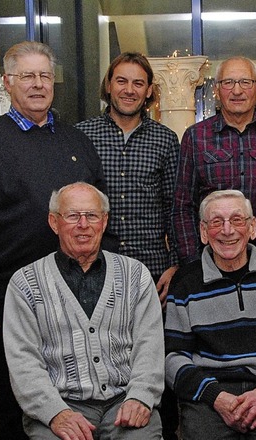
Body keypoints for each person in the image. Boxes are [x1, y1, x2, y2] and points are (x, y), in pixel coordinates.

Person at [0, 41, 111, 440]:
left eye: (44, 76)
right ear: (8, 83)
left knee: (80, 396)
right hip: (10, 300)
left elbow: (102, 217)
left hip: (80, 294)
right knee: (20, 400)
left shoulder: (77, 141)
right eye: (27, 76)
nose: (38, 85)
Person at [3, 182, 164, 440]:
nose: (83, 224)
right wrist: (55, 413)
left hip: (124, 402)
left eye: (91, 215)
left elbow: (150, 346)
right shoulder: (25, 283)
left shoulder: (136, 275)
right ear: (54, 222)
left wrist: (141, 397)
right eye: (72, 216)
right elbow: (23, 362)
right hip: (61, 405)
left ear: (104, 221)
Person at [76, 51, 180, 440]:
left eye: (139, 83)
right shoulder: (82, 135)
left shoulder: (165, 139)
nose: (129, 90)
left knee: (152, 362)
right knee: (101, 357)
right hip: (95, 270)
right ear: (108, 85)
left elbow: (175, 206)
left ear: (150, 90)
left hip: (153, 273)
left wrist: (174, 264)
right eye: (122, 81)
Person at [164, 190, 256, 439]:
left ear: (252, 228)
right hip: (209, 395)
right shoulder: (185, 283)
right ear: (203, 232)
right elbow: (173, 356)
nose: (227, 230)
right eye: (217, 222)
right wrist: (215, 396)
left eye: (237, 220)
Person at [172, 56, 256, 264]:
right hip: (212, 259)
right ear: (216, 91)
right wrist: (192, 263)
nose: (237, 91)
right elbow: (183, 206)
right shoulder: (196, 136)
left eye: (245, 82)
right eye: (228, 83)